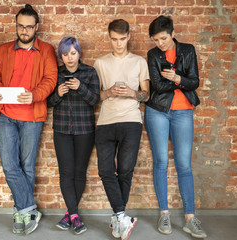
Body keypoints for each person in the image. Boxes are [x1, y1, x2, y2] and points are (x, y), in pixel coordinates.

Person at [0, 4, 57, 235]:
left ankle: (21, 212)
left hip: (32, 115)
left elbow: (50, 79)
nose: (25, 31)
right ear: (16, 26)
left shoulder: (46, 50)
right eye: (21, 26)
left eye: (29, 27)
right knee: (10, 165)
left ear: (37, 27)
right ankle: (29, 209)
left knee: (27, 166)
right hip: (6, 113)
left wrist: (34, 95)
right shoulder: (3, 50)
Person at [145, 15, 207, 238]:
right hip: (157, 111)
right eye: (156, 40)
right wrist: (180, 81)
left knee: (184, 164)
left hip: (183, 112)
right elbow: (157, 86)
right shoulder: (153, 55)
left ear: (172, 33)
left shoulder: (188, 50)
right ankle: (164, 214)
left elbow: (195, 82)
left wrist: (177, 78)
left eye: (163, 38)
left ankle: (190, 219)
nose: (159, 43)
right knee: (160, 161)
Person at [93, 19, 150, 240]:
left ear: (128, 37)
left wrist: (132, 93)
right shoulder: (100, 63)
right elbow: (94, 95)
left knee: (126, 170)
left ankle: (119, 218)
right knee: (105, 171)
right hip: (106, 122)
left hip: (131, 121)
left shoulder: (139, 61)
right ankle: (121, 217)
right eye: (114, 40)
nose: (118, 44)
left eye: (122, 39)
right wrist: (108, 92)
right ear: (109, 38)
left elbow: (146, 94)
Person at [47, 37, 100, 235]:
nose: (69, 58)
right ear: (61, 56)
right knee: (66, 172)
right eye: (65, 54)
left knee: (79, 172)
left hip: (85, 130)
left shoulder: (89, 72)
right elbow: (46, 102)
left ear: (78, 53)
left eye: (73, 53)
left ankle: (70, 214)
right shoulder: (55, 74)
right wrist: (57, 94)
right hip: (61, 130)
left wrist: (81, 87)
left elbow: (95, 99)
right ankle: (75, 216)